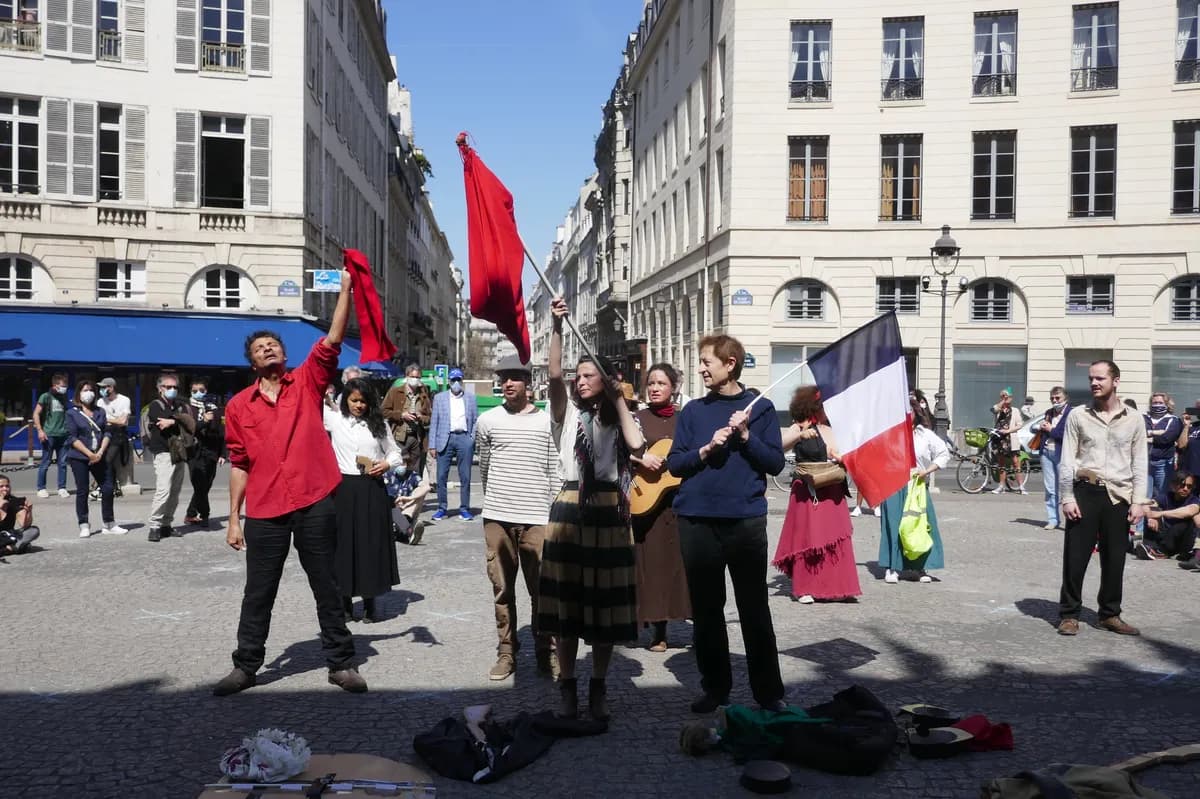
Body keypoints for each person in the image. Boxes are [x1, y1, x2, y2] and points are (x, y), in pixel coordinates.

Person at [213, 270, 366, 696]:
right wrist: (233, 519)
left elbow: (333, 340)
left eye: (274, 344)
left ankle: (340, 662)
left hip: (314, 498)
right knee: (258, 590)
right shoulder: (239, 406)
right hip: (265, 508)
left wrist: (347, 289)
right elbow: (239, 463)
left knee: (327, 585)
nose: (268, 349)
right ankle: (246, 666)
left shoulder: (308, 380)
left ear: (283, 353)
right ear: (253, 362)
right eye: (261, 348)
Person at [666, 334, 787, 715]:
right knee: (706, 610)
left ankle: (769, 693)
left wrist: (747, 436)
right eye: (701, 362)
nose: (701, 368)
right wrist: (703, 451)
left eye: (707, 362)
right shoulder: (693, 412)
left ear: (730, 363)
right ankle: (715, 688)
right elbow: (675, 464)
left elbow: (776, 464)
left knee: (754, 608)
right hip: (697, 519)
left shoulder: (761, 409)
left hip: (745, 521)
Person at [538, 297, 645, 722]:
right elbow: (553, 375)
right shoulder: (566, 414)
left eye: (589, 376)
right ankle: (568, 687)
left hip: (611, 513)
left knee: (606, 608)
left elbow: (636, 445)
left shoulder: (620, 417)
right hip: (571, 508)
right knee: (568, 606)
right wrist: (558, 327)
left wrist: (620, 399)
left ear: (605, 380)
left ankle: (598, 687)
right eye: (578, 376)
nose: (581, 381)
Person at [475, 354, 561, 681]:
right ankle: (507, 652)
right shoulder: (488, 421)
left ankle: (546, 652)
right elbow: (484, 467)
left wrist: (551, 513)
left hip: (538, 517)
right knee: (501, 590)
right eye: (503, 378)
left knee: (542, 592)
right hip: (497, 516)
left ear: (528, 382)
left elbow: (555, 470)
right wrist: (496, 500)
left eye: (514, 377)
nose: (508, 383)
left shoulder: (546, 420)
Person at [1057, 359, 1146, 637]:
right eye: (1091, 379)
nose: (1094, 383)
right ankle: (1069, 614)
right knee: (1076, 557)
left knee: (1115, 558)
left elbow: (1140, 462)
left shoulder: (1133, 418)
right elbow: (1067, 459)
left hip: (1118, 496)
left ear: (1115, 381)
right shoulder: (1078, 415)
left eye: (1100, 379)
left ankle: (1110, 614)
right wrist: (1067, 497)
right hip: (1085, 491)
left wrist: (1139, 500)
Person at [324, 377, 403, 625]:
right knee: (343, 546)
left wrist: (387, 464)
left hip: (372, 488)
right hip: (343, 489)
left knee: (369, 545)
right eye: (354, 400)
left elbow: (395, 452)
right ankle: (345, 603)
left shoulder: (378, 425)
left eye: (364, 401)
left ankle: (370, 603)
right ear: (346, 400)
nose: (359, 405)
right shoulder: (335, 420)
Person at [773, 386, 861, 604]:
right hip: (808, 491)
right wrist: (799, 435)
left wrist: (843, 458)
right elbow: (778, 447)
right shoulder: (800, 425)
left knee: (837, 537)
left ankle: (839, 586)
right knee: (809, 538)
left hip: (833, 488)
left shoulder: (834, 428)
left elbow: (846, 453)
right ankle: (805, 588)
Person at [629, 363, 692, 651]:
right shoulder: (636, 419)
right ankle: (658, 629)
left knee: (679, 563)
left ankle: (688, 618)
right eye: (651, 383)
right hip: (647, 503)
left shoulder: (685, 419)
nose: (654, 388)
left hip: (679, 502)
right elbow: (620, 450)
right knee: (652, 565)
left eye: (661, 383)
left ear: (673, 387)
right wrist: (641, 460)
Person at [878, 394, 949, 585]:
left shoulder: (923, 434)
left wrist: (927, 471)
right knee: (894, 525)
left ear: (915, 413)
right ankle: (892, 567)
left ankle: (919, 567)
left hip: (916, 484)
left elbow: (943, 453)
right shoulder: (888, 434)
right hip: (892, 484)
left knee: (919, 524)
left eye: (908, 411)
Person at [64, 380, 126, 538]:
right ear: (79, 393)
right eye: (85, 390)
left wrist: (99, 452)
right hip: (79, 457)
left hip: (100, 455)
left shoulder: (100, 411)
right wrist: (89, 454)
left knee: (107, 487)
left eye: (91, 390)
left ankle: (109, 522)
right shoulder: (72, 413)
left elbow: (106, 432)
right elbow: (72, 437)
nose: (89, 393)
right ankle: (83, 524)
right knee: (83, 490)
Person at [145, 373, 192, 542]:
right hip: (163, 451)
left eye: (175, 387)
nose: (172, 390)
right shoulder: (155, 404)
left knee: (175, 491)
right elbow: (161, 420)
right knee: (163, 490)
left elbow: (190, 421)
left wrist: (173, 421)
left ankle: (166, 524)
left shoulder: (180, 405)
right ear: (160, 389)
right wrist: (180, 421)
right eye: (168, 387)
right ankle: (154, 525)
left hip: (179, 451)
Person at [428, 368, 478, 521]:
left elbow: (475, 420)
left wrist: (471, 438)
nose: (456, 383)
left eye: (458, 380)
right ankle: (442, 508)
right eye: (453, 380)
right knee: (441, 476)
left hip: (464, 438)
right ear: (449, 382)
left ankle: (464, 508)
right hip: (445, 439)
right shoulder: (439, 398)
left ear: (462, 381)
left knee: (466, 476)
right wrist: (432, 445)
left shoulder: (470, 398)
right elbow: (434, 422)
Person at [184, 378, 226, 528]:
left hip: (212, 451)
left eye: (201, 390)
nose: (198, 393)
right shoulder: (187, 408)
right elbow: (189, 430)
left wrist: (223, 454)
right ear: (190, 391)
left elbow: (222, 432)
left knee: (206, 485)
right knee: (199, 484)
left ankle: (190, 514)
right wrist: (205, 422)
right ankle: (205, 515)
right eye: (195, 391)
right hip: (194, 451)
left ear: (206, 391)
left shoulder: (214, 408)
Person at [383, 364, 433, 477]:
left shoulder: (423, 394)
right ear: (407, 377)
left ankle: (412, 492)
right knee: (399, 468)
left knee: (415, 471)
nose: (416, 380)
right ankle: (397, 492)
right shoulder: (395, 392)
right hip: (399, 437)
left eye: (418, 377)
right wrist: (401, 415)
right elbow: (383, 411)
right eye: (413, 377)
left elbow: (430, 417)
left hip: (417, 438)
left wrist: (421, 417)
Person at [1137, 472, 1199, 560]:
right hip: (1167, 537)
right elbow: (1147, 505)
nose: (1185, 489)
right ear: (1173, 485)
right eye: (1182, 485)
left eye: (1189, 486)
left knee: (1184, 523)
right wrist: (1151, 517)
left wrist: (1160, 513)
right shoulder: (1167, 497)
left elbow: (1189, 511)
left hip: (1183, 541)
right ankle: (1150, 547)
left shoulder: (1194, 500)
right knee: (1151, 513)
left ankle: (1160, 552)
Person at [1038, 388, 1072, 530]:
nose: (1054, 401)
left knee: (1066, 487)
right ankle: (1053, 519)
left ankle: (1071, 519)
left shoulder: (1071, 414)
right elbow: (1044, 431)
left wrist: (1050, 429)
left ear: (1065, 399)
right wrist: (1041, 427)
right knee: (1050, 488)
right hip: (1046, 452)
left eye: (1057, 398)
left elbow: (1065, 435)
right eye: (1052, 398)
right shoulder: (1048, 413)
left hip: (1062, 453)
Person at [33, 373, 70, 499]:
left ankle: (62, 487)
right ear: (55, 385)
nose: (65, 388)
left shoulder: (64, 398)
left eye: (66, 385)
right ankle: (41, 488)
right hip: (49, 434)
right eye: (62, 385)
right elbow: (36, 414)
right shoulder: (46, 396)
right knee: (45, 462)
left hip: (63, 434)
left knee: (63, 463)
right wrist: (40, 430)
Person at [97, 377, 135, 493]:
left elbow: (123, 422)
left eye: (104, 387)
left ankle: (109, 486)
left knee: (108, 459)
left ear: (112, 388)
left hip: (118, 434)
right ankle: (107, 485)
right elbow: (99, 420)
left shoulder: (124, 400)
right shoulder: (100, 401)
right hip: (104, 433)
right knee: (102, 459)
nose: (102, 390)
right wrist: (114, 420)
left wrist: (107, 419)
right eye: (101, 388)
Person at [1144, 392, 1183, 500]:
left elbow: (1166, 438)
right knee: (1144, 496)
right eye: (1155, 402)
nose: (1157, 405)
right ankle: (1144, 517)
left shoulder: (1174, 420)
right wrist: (1157, 432)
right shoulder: (1143, 417)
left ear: (1167, 404)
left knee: (1161, 495)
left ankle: (1159, 516)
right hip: (1144, 463)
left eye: (1160, 402)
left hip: (1163, 463)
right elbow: (1137, 433)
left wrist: (1148, 435)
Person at [991, 390, 1026, 495]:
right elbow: (993, 410)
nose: (1006, 398)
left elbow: (1020, 424)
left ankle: (1021, 486)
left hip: (1011, 439)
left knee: (1016, 462)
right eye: (1003, 396)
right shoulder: (999, 408)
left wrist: (1008, 431)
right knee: (1001, 463)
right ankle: (1001, 486)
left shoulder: (1015, 410)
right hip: (1000, 439)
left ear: (1011, 398)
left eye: (1007, 396)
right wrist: (1002, 401)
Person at [0, 473, 39, 555]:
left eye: (7, 486)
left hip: (7, 534)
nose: (5, 489)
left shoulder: (14, 501)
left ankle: (9, 548)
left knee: (33, 530)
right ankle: (12, 548)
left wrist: (28, 511)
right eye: (1, 486)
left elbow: (24, 524)